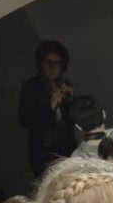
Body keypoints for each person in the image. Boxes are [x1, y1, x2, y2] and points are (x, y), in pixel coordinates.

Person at [18, 40, 75, 178]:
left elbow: (71, 120)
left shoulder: (65, 84)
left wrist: (72, 102)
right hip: (43, 151)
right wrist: (49, 107)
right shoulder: (31, 87)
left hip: (67, 149)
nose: (52, 67)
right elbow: (24, 120)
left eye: (57, 63)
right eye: (47, 62)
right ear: (40, 63)